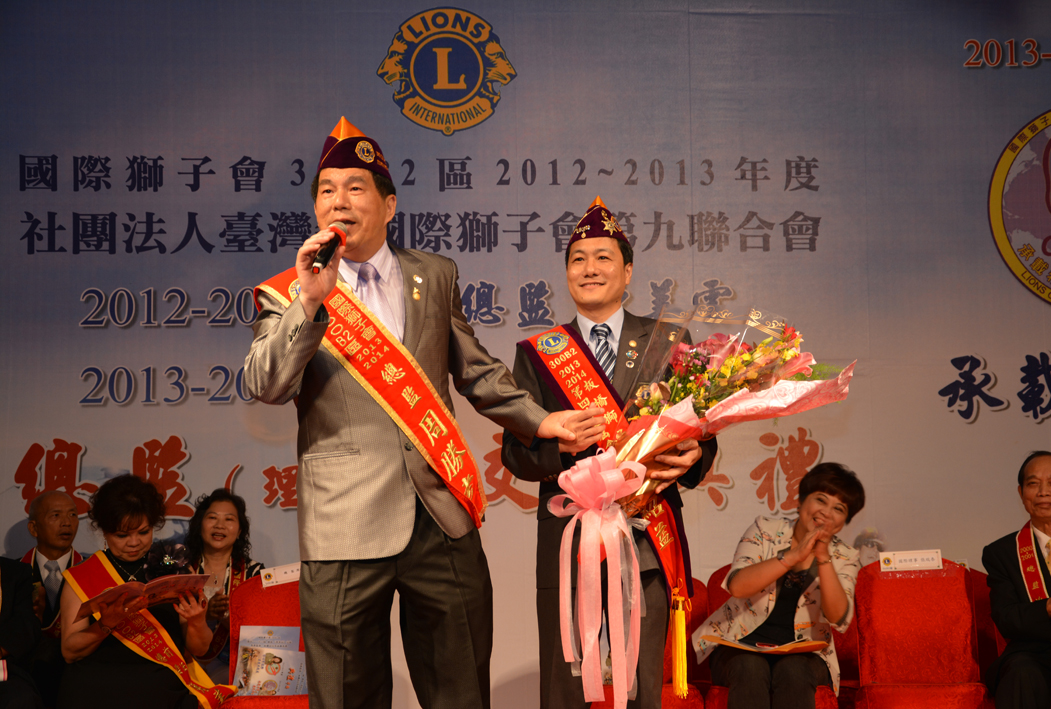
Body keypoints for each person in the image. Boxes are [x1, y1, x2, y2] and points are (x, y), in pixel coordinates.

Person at [243, 116, 589, 709]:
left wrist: (539, 420)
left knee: (460, 690)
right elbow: (266, 384)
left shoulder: (435, 273)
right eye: (326, 190)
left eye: (355, 187)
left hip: (439, 512)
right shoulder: (290, 291)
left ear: (388, 205)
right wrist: (311, 303)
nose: (338, 202)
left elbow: (475, 368)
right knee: (348, 695)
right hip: (344, 523)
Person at [502, 196, 718, 709]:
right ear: (567, 274)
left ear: (628, 272)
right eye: (578, 259)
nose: (589, 269)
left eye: (603, 258)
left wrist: (697, 455)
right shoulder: (539, 353)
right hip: (568, 538)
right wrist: (561, 450)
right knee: (563, 687)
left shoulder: (668, 340)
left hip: (646, 538)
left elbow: (701, 431)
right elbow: (515, 453)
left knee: (642, 686)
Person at [692, 463, 865, 709]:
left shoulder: (846, 556)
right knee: (750, 667)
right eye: (820, 500)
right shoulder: (764, 530)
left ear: (844, 521)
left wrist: (823, 556)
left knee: (793, 670)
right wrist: (792, 557)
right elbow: (737, 586)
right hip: (738, 645)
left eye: (838, 508)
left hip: (806, 655)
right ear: (801, 501)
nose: (827, 513)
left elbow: (838, 617)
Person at [57, 474, 231, 709]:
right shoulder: (84, 575)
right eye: (122, 535)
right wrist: (105, 624)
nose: (134, 542)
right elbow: (69, 652)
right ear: (105, 532)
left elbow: (200, 649)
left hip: (161, 682)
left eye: (143, 532)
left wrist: (197, 620)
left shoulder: (174, 565)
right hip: (99, 683)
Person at [983, 450, 1051, 709]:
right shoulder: (1002, 553)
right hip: (1039, 654)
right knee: (1020, 671)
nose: (1043, 492)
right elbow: (1007, 618)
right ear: (1021, 493)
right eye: (1033, 484)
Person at [184, 488, 263, 684]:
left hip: (239, 672)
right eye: (212, 518)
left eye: (229, 519)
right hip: (185, 668)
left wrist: (227, 617)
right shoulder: (181, 570)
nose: (220, 525)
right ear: (199, 525)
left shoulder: (254, 574)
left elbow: (263, 634)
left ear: (240, 531)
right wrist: (204, 615)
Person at [20, 491, 84, 708]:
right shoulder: (13, 574)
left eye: (73, 515)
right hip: (26, 677)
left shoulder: (93, 571)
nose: (67, 522)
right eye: (56, 515)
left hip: (77, 673)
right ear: (33, 528)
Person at [0, 555, 45, 709]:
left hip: (4, 670)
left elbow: (26, 624)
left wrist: (2, 649)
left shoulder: (14, 572)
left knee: (21, 698)